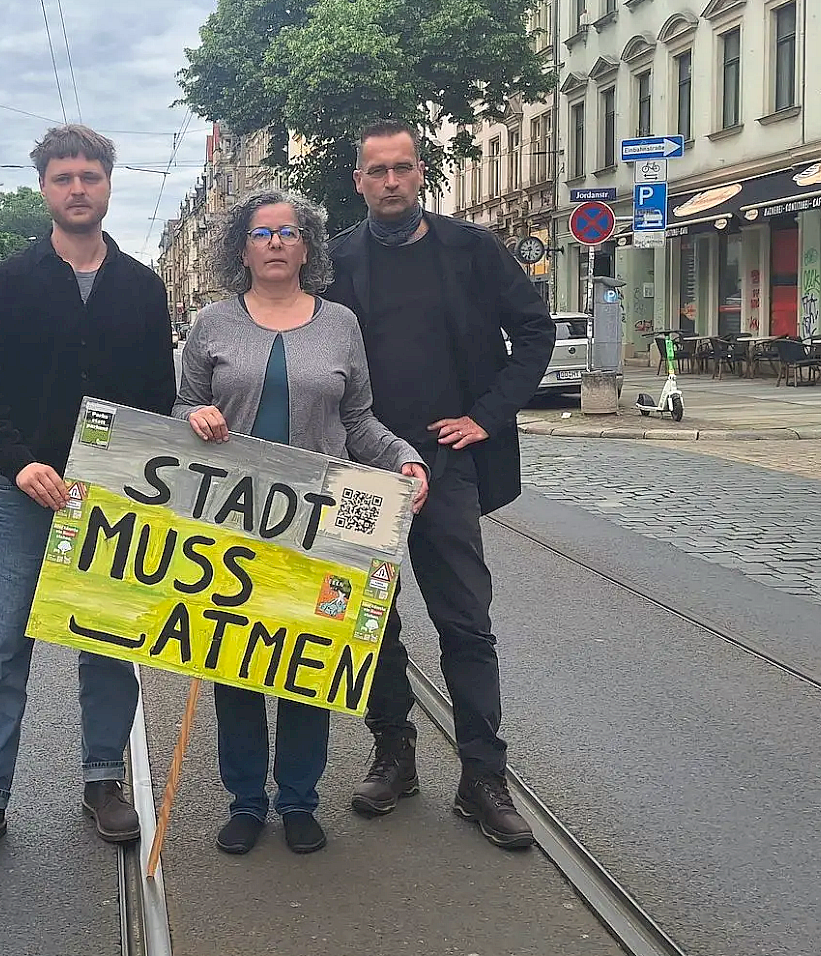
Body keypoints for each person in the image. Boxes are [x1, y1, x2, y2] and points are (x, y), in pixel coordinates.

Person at [0, 124, 177, 870]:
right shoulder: (11, 282)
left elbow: (156, 398)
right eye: (63, 178)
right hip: (25, 494)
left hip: (109, 499)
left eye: (90, 177)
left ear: (108, 184)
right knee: (1, 647)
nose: (78, 189)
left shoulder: (141, 286)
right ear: (44, 187)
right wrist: (20, 466)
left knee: (106, 645)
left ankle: (103, 779)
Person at [175, 188, 429, 856]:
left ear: (308, 246)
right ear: (241, 248)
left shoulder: (340, 324)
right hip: (233, 525)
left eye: (289, 232)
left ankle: (298, 800)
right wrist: (194, 416)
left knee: (307, 668)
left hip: (321, 527)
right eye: (262, 233)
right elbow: (181, 409)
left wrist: (403, 457)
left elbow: (358, 420)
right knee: (235, 666)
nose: (276, 243)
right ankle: (245, 801)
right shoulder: (211, 324)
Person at [324, 119, 553, 849]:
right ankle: (394, 751)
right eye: (377, 170)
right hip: (361, 467)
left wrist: (486, 415)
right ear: (359, 181)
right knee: (370, 622)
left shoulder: (471, 249)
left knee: (465, 622)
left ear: (421, 173)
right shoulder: (336, 259)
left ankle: (483, 775)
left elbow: (535, 331)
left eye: (402, 168)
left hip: (447, 465)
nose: (390, 181)